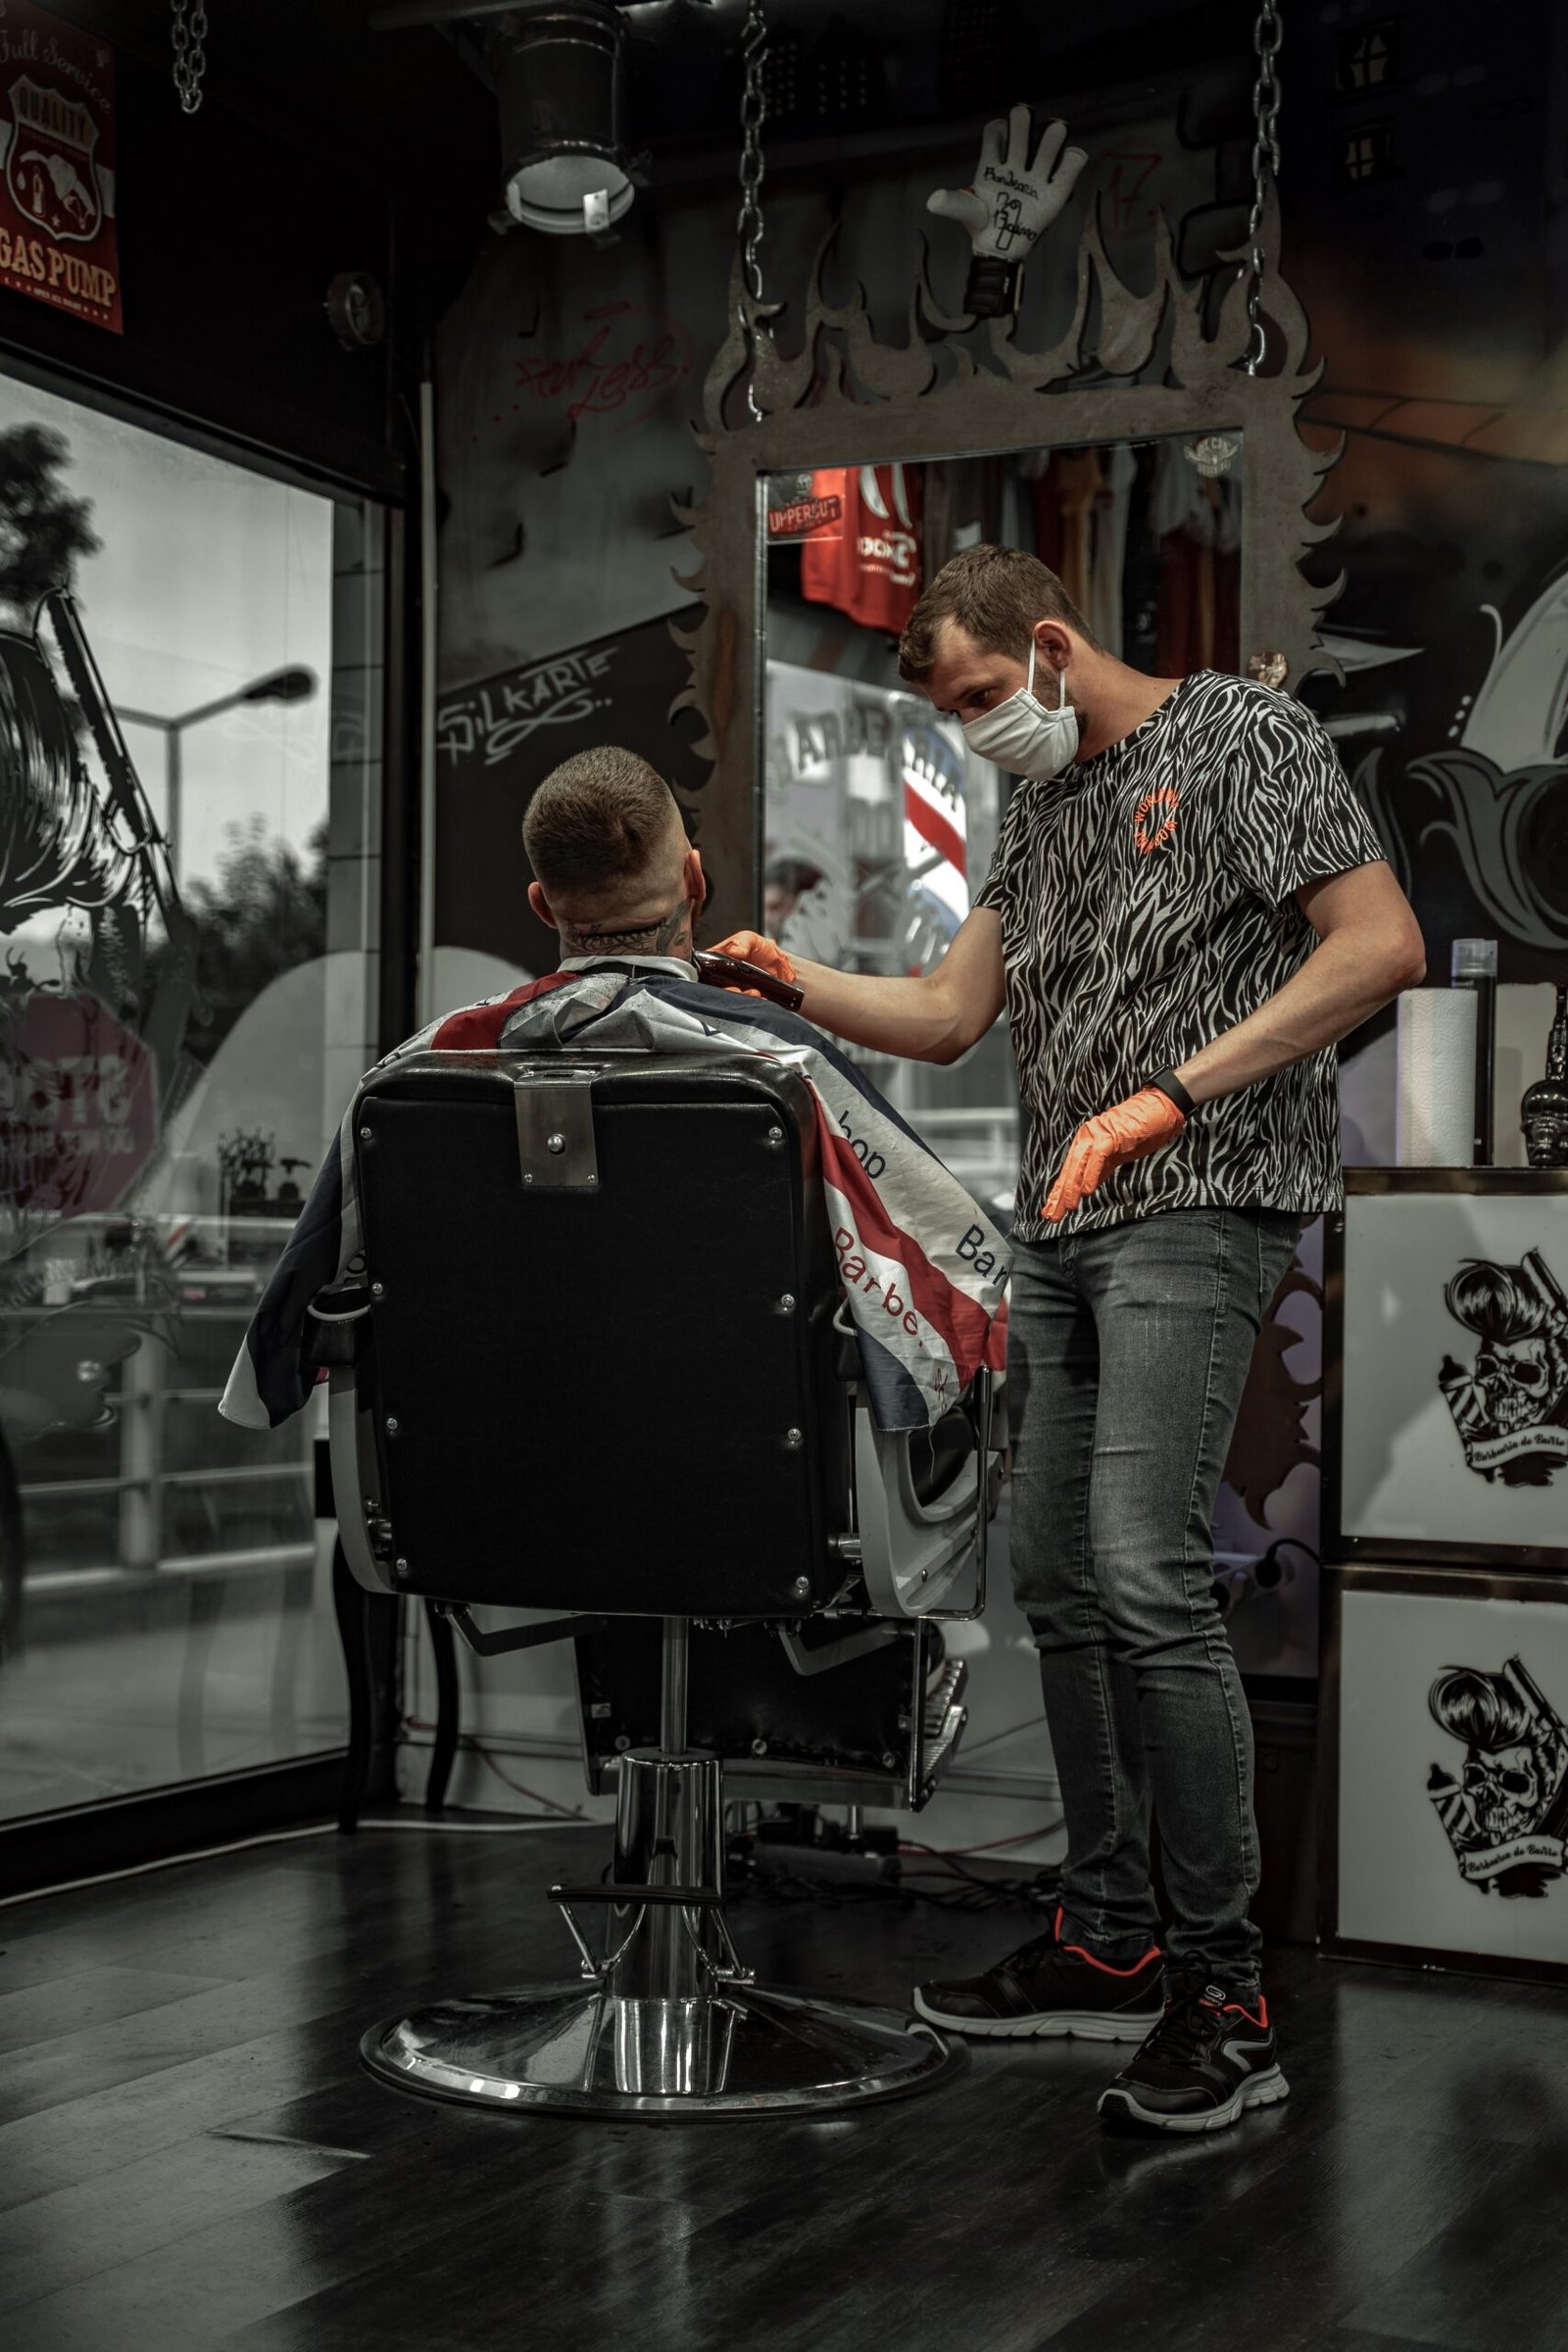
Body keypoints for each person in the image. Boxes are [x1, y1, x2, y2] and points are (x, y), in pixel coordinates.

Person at [713, 543, 1426, 2134]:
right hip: (1064, 1225)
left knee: (1146, 1570)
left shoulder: (1241, 740)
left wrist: (1170, 1093)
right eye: (953, 711)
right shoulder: (1036, 808)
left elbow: (1378, 945)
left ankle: (1225, 1998)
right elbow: (955, 1013)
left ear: (1048, 644)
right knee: (1055, 1575)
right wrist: (793, 978)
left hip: (1201, 1197)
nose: (977, 730)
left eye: (984, 695)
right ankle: (1108, 1944)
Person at [220, 746, 1006, 1448]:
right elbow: (955, 1279)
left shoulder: (414, 1078)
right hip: (749, 1496)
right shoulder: (778, 1067)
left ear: (541, 904)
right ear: (695, 879)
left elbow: (287, 1334)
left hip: (496, 1506)